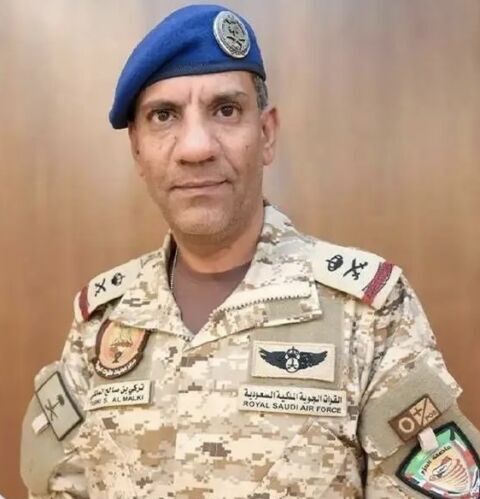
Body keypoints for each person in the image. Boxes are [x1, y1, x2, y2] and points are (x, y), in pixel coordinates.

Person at [20, 4, 480, 498]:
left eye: (225, 110)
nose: (196, 147)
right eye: (164, 116)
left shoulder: (368, 313)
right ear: (137, 148)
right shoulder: (102, 321)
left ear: (265, 134)